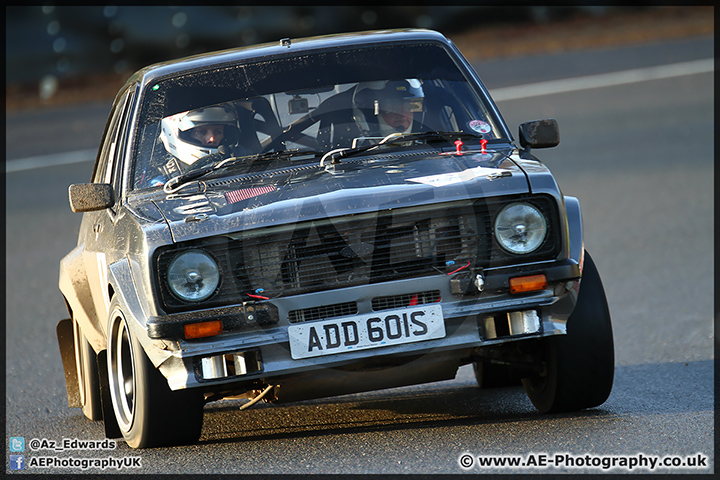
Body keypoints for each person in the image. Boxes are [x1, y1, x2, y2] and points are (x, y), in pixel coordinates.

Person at [156, 104, 241, 180]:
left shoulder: (240, 164)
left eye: (218, 132)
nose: (212, 139)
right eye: (201, 132)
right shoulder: (163, 182)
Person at [352, 79, 425, 138]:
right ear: (368, 116)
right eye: (392, 109)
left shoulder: (429, 147)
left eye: (407, 108)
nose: (401, 116)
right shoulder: (348, 151)